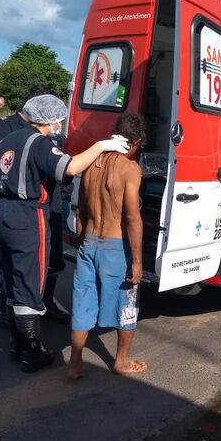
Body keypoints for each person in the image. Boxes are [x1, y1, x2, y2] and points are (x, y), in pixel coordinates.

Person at [0, 94, 129, 373]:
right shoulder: (38, 142)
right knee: (30, 285)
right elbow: (71, 166)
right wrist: (103, 145)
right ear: (50, 119)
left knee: (14, 278)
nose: (60, 125)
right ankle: (32, 354)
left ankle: (18, 346)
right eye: (59, 120)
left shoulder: (9, 140)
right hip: (27, 216)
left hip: (1, 214)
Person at [0, 87, 70, 325]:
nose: (57, 122)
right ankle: (8, 311)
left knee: (53, 259)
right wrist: (3, 185)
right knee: (14, 266)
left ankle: (46, 302)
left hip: (50, 206)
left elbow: (60, 162)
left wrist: (65, 190)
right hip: (21, 208)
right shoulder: (4, 129)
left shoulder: (50, 130)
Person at [67, 112, 147, 380]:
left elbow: (81, 209)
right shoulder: (130, 169)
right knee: (127, 303)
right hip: (115, 248)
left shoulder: (92, 162)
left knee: (82, 303)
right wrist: (137, 261)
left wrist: (81, 239)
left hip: (89, 243)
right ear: (135, 141)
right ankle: (121, 361)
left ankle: (74, 364)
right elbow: (132, 217)